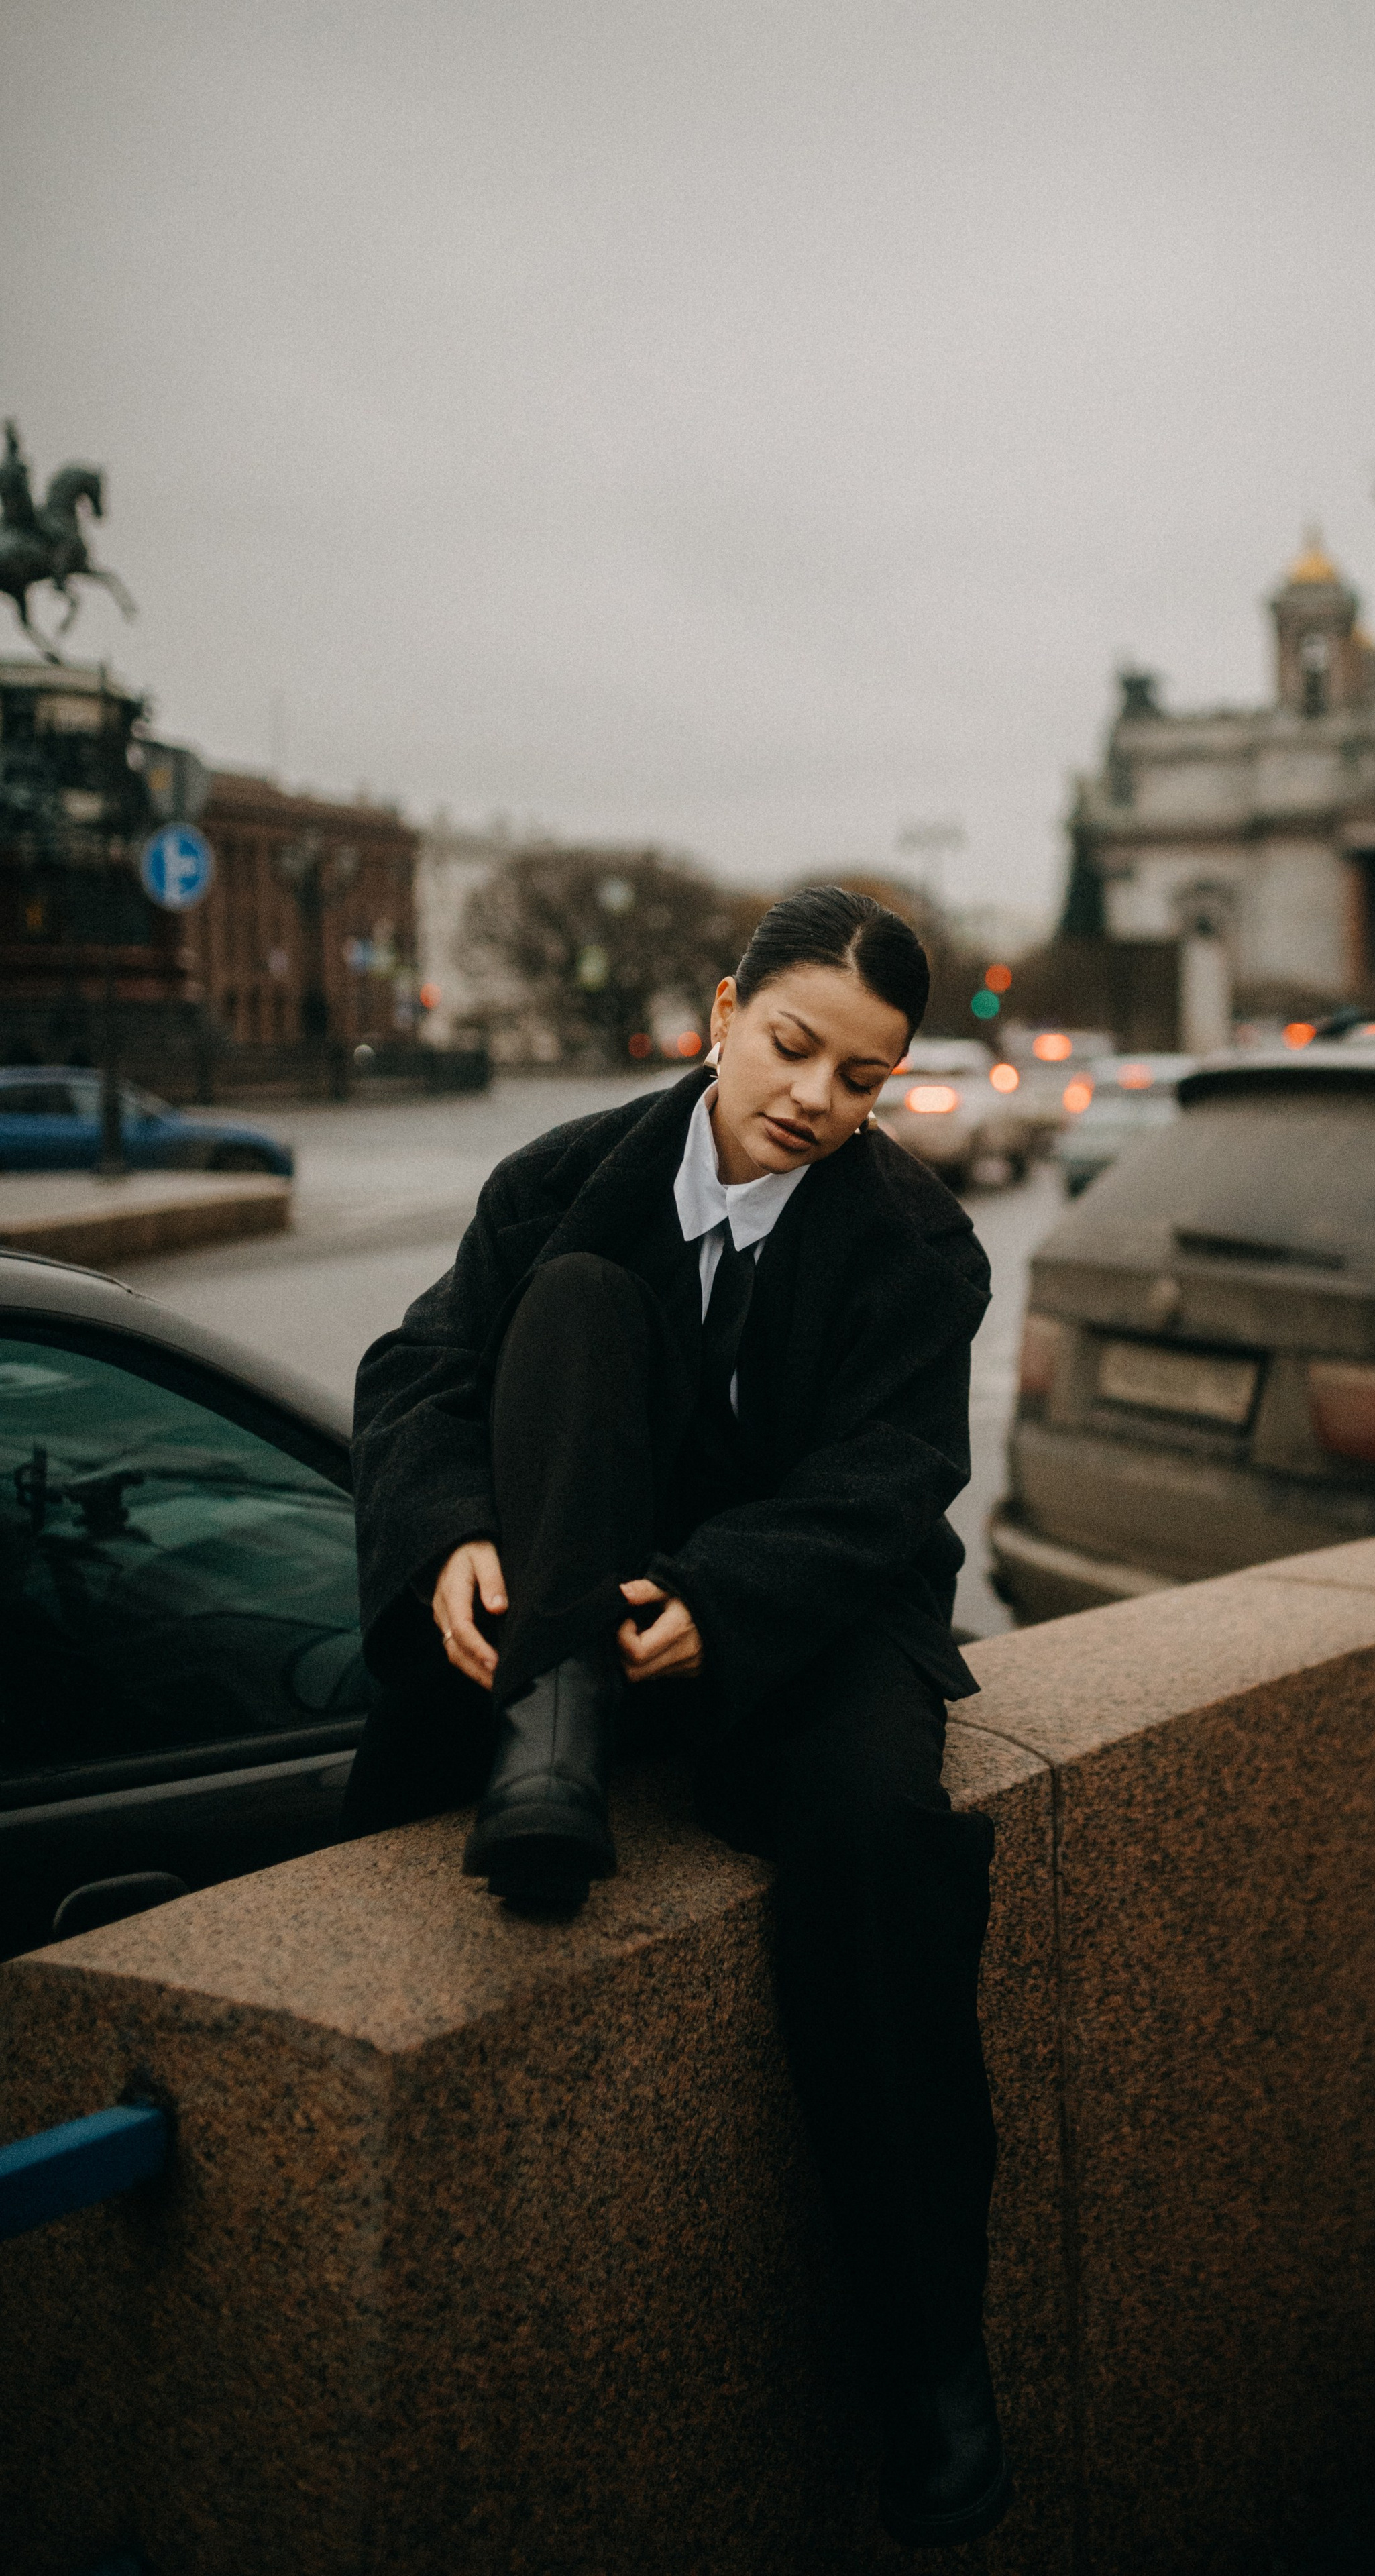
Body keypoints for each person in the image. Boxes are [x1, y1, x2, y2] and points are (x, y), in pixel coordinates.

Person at [345, 885, 1011, 2549]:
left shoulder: (918, 1242)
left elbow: (892, 1484)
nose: (813, 1099)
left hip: (807, 1616)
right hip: (572, 1595)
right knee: (568, 1305)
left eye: (862, 1080)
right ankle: (546, 1743)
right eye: (792, 1045)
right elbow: (418, 1383)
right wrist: (448, 1540)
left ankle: (929, 2358)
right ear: (722, 1010)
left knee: (877, 1844)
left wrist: (720, 1600)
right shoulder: (556, 1181)